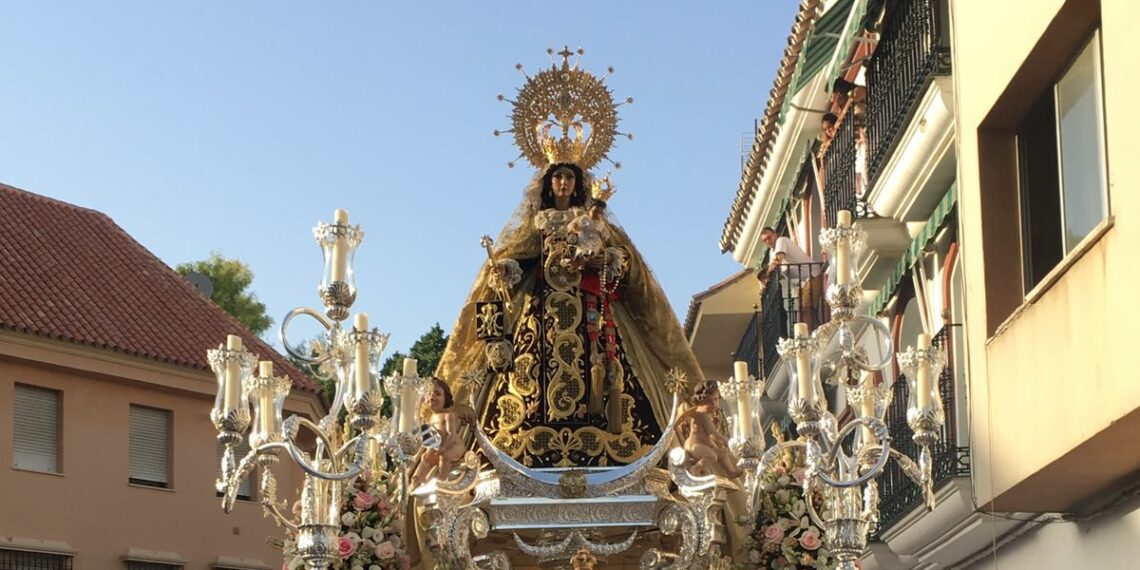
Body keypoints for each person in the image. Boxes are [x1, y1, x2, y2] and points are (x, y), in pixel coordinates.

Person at [436, 161, 703, 468]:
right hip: (539, 320)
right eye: (558, 177)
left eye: (569, 177)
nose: (563, 183)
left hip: (591, 317)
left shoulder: (595, 221)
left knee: (607, 375)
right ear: (548, 184)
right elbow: (518, 258)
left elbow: (626, 262)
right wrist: (504, 269)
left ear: (578, 184)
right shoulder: (537, 223)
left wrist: (605, 258)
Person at [412, 377, 474, 486]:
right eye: (429, 393)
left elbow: (451, 434)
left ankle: (441, 480)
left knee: (445, 456)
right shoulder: (432, 418)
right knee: (425, 457)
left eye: (437, 394)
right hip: (439, 447)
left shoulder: (448, 415)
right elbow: (431, 436)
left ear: (446, 399)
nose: (432, 396)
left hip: (454, 446)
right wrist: (430, 450)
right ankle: (419, 479)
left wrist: (444, 447)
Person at [761, 227, 825, 331]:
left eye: (769, 237)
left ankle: (813, 335)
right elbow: (777, 271)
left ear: (775, 235)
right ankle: (816, 333)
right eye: (765, 240)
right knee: (806, 312)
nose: (768, 241)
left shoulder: (781, 241)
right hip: (803, 284)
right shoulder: (771, 253)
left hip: (812, 276)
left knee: (806, 310)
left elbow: (779, 259)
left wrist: (769, 272)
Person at [675, 381, 742, 478]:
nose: (714, 404)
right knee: (712, 456)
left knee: (722, 453)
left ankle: (731, 472)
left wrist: (715, 424)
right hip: (694, 446)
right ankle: (694, 470)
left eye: (716, 400)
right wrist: (728, 442)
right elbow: (713, 434)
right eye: (709, 402)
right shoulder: (701, 414)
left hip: (703, 444)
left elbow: (709, 431)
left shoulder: (705, 414)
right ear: (700, 401)